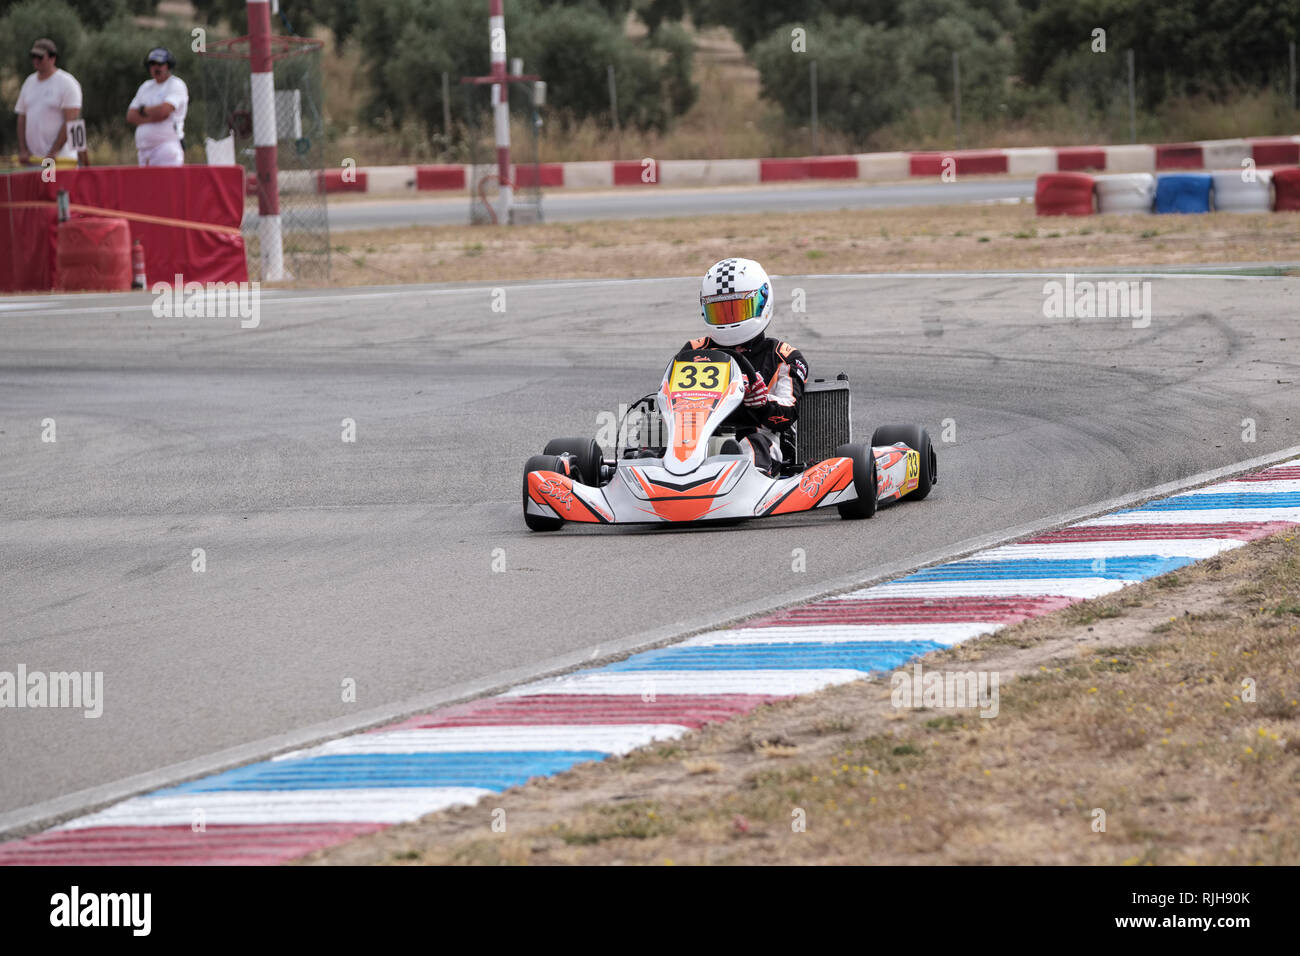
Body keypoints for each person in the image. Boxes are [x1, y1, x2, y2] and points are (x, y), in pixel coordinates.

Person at [676, 257, 809, 475]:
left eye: (738, 309)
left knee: (752, 446)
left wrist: (763, 403)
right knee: (656, 442)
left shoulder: (783, 357)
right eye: (720, 312)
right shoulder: (693, 351)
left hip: (759, 436)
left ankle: (737, 468)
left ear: (762, 302)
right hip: (697, 437)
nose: (729, 321)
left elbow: (789, 414)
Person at [14, 38, 82, 166]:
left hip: (59, 161)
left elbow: (71, 121)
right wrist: (23, 150)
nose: (35, 60)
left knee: (54, 186)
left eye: (40, 57)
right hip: (34, 161)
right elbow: (21, 117)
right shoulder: (29, 82)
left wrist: (53, 153)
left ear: (52, 58)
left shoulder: (67, 83)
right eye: (33, 56)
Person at [126, 47, 188, 166]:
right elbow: (130, 116)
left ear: (168, 65)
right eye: (152, 64)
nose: (156, 67)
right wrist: (154, 115)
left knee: (167, 184)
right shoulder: (145, 86)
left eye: (160, 64)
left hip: (166, 148)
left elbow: (164, 111)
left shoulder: (176, 84)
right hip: (144, 151)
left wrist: (142, 111)